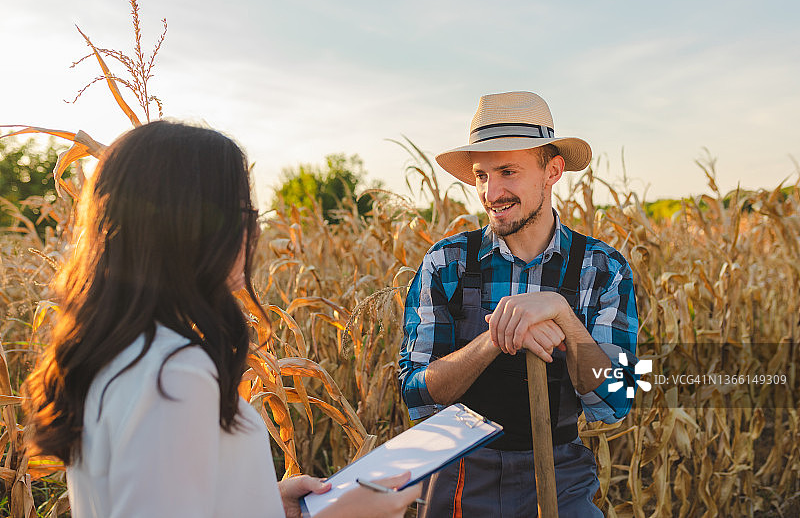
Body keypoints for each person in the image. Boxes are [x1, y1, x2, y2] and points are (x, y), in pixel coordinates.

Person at [23, 121, 421, 518]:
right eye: (245, 212)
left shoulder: (116, 353)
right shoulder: (173, 374)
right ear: (188, 228)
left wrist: (265, 502)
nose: (255, 230)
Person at [399, 91, 639, 517]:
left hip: (561, 476)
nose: (491, 192)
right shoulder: (447, 263)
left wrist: (563, 316)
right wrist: (497, 338)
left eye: (508, 171)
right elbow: (418, 393)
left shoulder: (602, 269)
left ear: (553, 171)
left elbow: (615, 403)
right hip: (461, 471)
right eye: (481, 175)